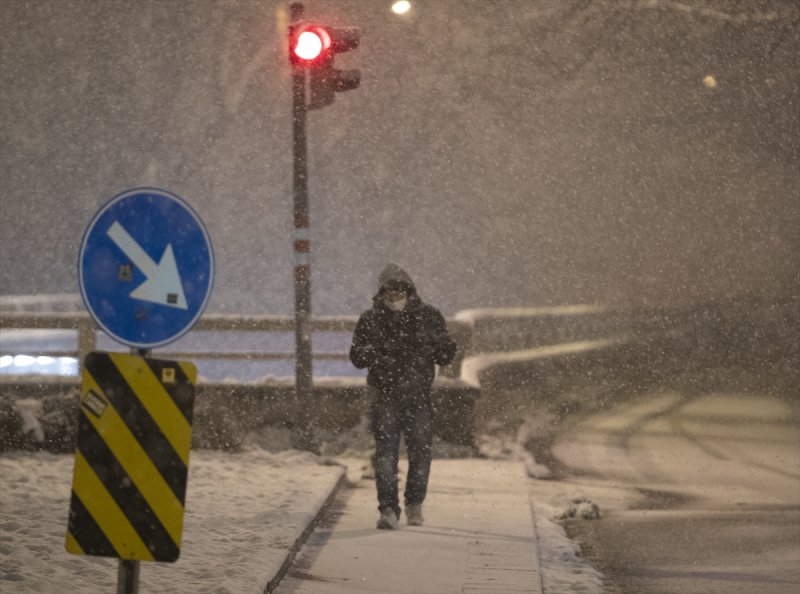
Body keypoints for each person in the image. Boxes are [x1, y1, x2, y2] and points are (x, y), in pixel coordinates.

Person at [349, 263, 457, 529]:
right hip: (385, 396)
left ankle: (413, 504)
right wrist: (379, 353)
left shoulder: (428, 316)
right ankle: (388, 509)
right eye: (390, 291)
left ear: (408, 290)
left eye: (399, 290)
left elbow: (442, 354)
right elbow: (358, 356)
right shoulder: (371, 319)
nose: (395, 296)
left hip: (418, 395)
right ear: (381, 292)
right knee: (386, 455)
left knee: (419, 453)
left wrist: (444, 348)